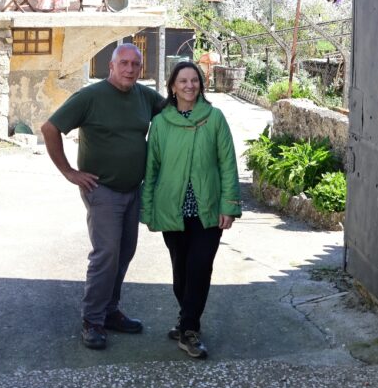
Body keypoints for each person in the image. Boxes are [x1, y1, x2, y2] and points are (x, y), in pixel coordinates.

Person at [41, 43, 165, 350]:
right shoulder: (90, 96)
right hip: (103, 190)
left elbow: (175, 110)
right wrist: (69, 172)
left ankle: (110, 311)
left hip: (132, 189)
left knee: (124, 252)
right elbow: (50, 128)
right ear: (111, 66)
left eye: (135, 65)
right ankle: (92, 320)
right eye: (123, 63)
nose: (129, 69)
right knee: (106, 254)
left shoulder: (144, 96)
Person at [141, 61, 240, 359]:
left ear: (201, 85)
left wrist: (229, 205)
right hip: (172, 209)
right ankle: (186, 317)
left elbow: (228, 164)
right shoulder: (160, 123)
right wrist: (147, 209)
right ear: (172, 87)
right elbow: (152, 167)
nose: (189, 85)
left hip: (207, 209)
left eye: (194, 80)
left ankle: (190, 330)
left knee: (200, 268)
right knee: (180, 271)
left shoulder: (215, 118)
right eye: (182, 81)